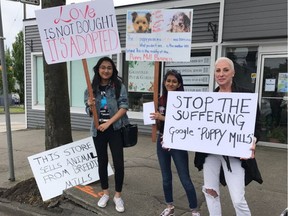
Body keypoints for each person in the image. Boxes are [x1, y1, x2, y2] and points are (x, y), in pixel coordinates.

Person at [194, 57, 263, 216]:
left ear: (233, 72)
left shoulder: (246, 96)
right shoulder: (207, 100)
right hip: (210, 154)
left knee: (238, 199)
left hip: (234, 154)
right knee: (210, 192)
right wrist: (173, 138)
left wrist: (252, 141)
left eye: (225, 70)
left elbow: (257, 126)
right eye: (218, 70)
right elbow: (196, 127)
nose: (221, 74)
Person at [150, 69, 200, 216]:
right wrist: (153, 119)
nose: (170, 83)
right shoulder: (160, 100)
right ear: (164, 82)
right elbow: (157, 122)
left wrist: (162, 117)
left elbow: (185, 122)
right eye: (168, 81)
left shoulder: (185, 101)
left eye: (174, 81)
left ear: (179, 84)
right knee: (166, 178)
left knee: (185, 178)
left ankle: (194, 210)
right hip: (162, 141)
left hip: (178, 142)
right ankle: (169, 206)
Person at [84, 56, 129, 213]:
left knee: (118, 163)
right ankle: (105, 193)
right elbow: (89, 112)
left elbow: (124, 107)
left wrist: (109, 123)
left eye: (109, 68)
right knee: (102, 162)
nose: (106, 70)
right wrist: (90, 106)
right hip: (98, 130)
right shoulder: (91, 87)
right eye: (103, 67)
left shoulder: (118, 86)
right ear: (98, 69)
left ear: (113, 70)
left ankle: (117, 195)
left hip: (114, 128)